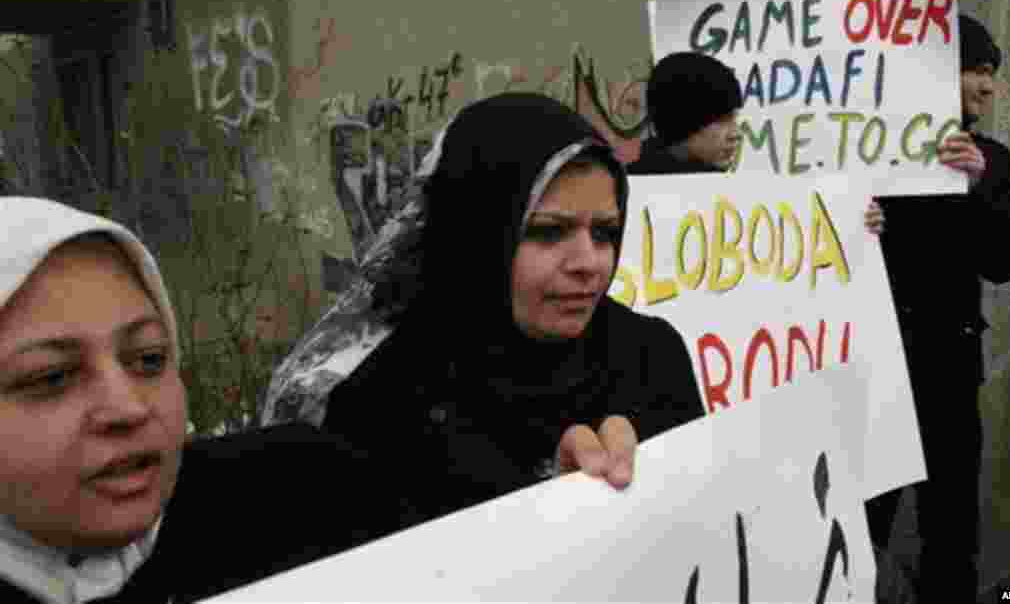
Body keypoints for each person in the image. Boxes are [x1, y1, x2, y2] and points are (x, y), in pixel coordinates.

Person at [0, 196, 643, 603]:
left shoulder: (296, 496)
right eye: (50, 378)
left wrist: (553, 518)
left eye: (148, 360)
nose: (127, 407)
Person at [323, 92, 706, 531]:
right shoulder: (381, 409)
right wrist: (541, 508)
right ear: (477, 235)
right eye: (547, 232)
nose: (588, 262)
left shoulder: (651, 359)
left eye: (605, 232)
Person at [865, 13, 1010, 603]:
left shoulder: (992, 159)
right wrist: (858, 223)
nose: (987, 86)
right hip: (874, 365)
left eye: (992, 73)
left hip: (950, 367)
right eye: (973, 69)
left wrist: (981, 182)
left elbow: (1005, 261)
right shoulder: (869, 147)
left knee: (951, 523)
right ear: (936, 71)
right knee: (863, 518)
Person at [628, 50, 886, 234]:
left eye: (734, 119)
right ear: (683, 122)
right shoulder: (621, 196)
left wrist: (855, 225)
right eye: (721, 120)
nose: (735, 133)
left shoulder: (745, 200)